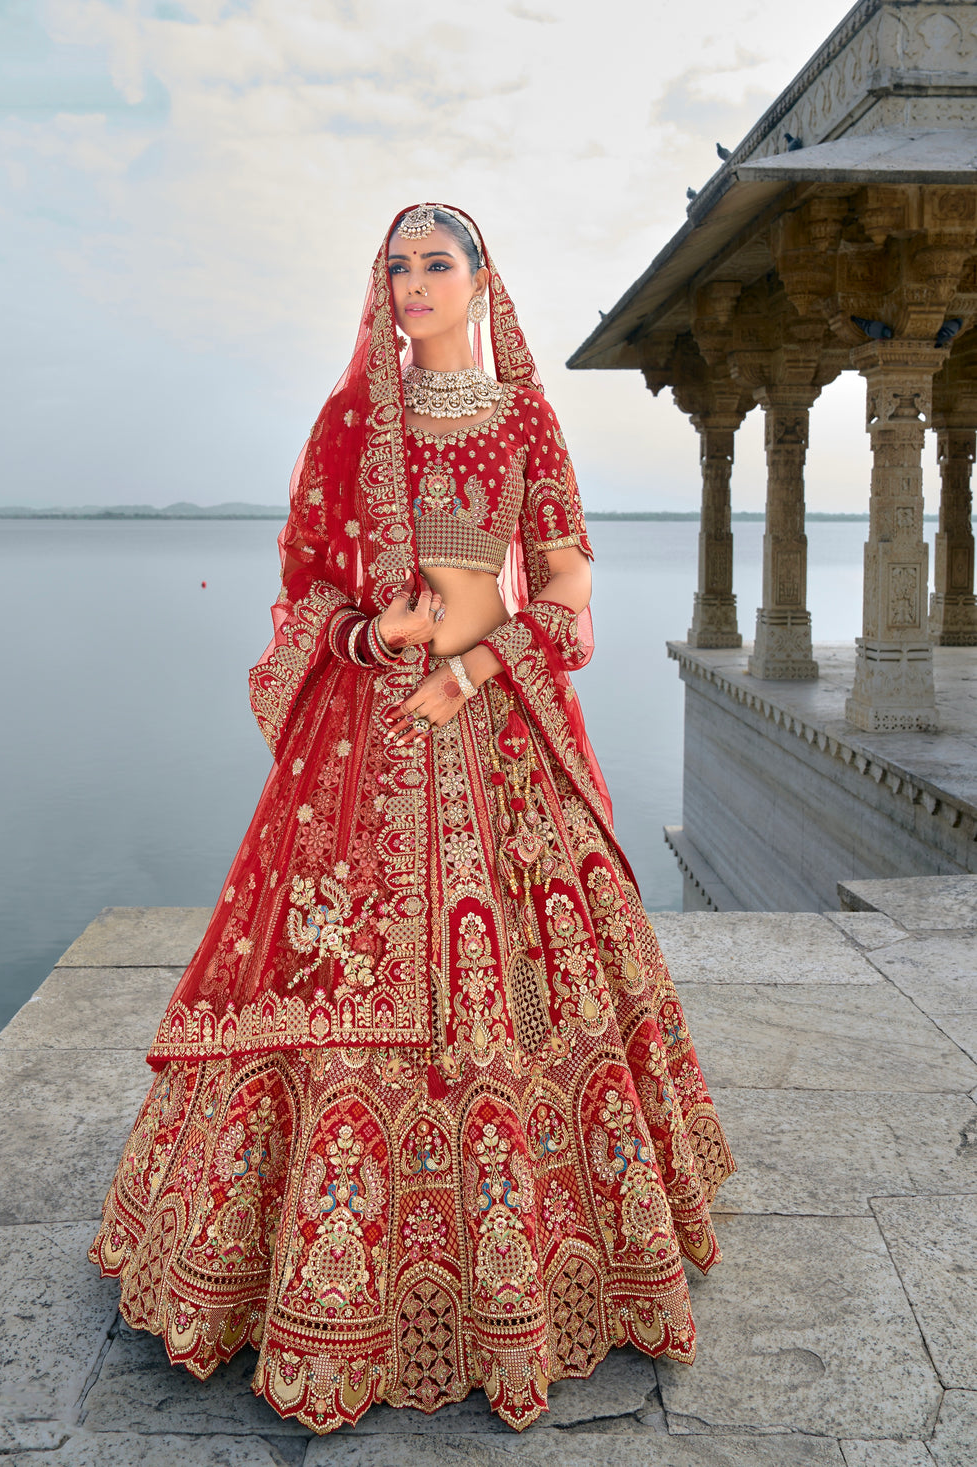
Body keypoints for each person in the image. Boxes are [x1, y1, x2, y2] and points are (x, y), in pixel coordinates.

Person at [89, 203, 735, 1435]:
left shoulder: (522, 415)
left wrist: (472, 670)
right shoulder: (348, 422)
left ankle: (533, 1272)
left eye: (439, 263)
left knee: (526, 982)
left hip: (490, 720)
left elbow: (565, 584)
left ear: (485, 280)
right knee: (324, 962)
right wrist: (364, 636)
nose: (413, 283)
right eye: (396, 267)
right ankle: (283, 1271)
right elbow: (307, 583)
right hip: (365, 728)